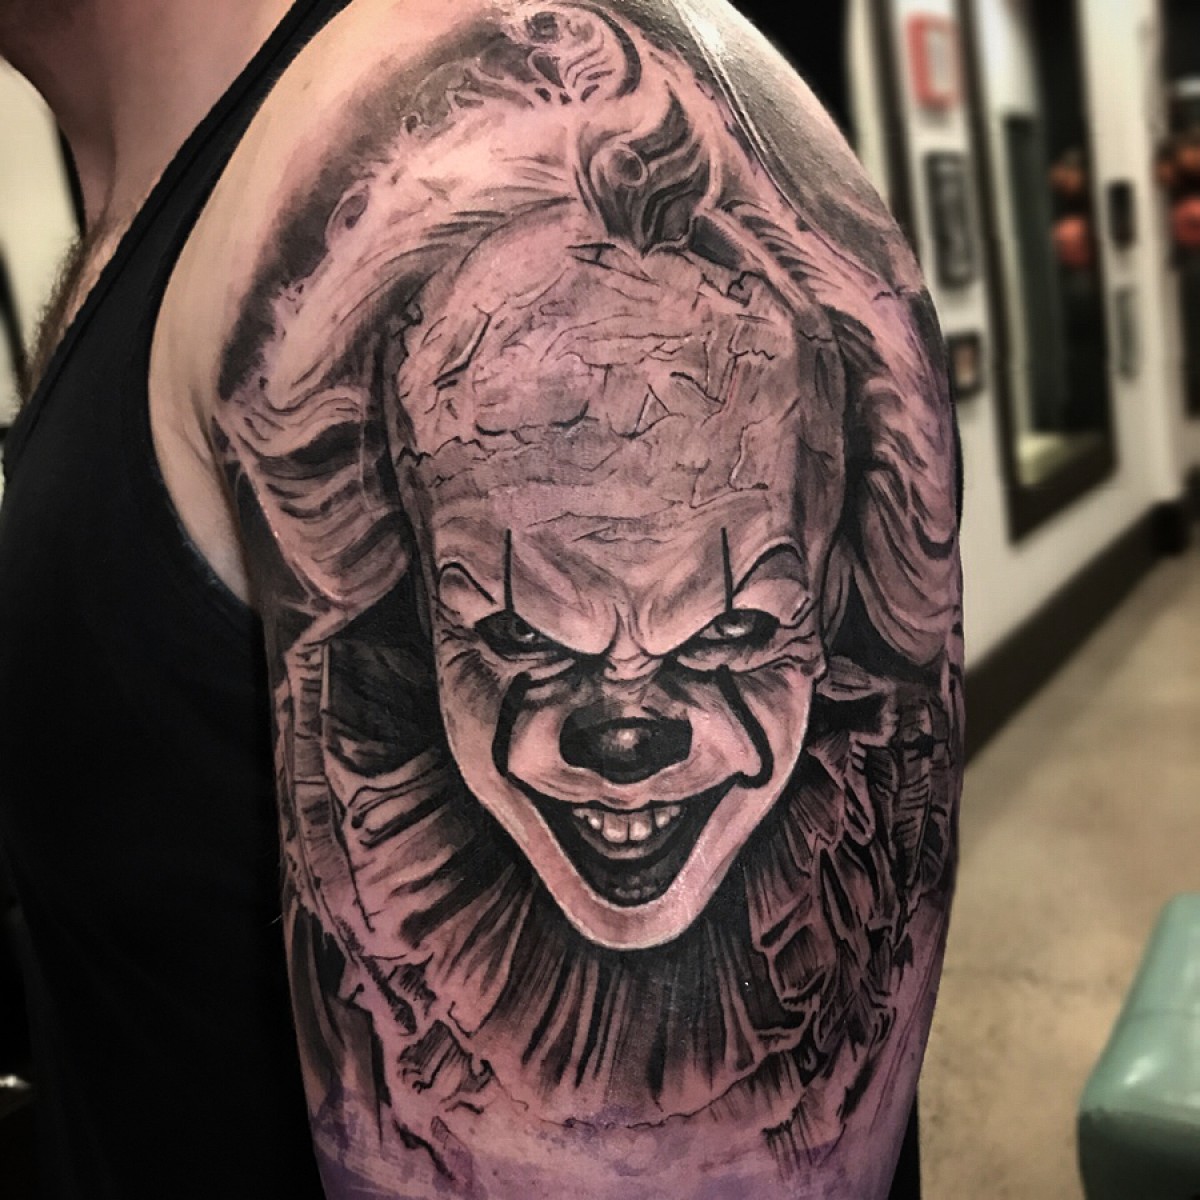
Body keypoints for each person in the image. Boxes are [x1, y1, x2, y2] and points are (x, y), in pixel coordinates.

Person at [0, 1, 964, 1197]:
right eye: (520, 635)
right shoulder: (182, 196)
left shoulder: (458, 124)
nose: (625, 739)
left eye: (729, 631)